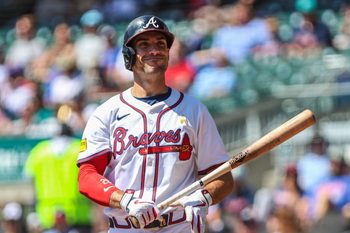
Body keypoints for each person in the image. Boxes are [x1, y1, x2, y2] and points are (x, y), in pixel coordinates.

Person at [77, 15, 234, 233]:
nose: (154, 50)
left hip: (178, 227)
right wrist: (125, 201)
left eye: (161, 44)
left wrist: (204, 196)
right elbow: (87, 176)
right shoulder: (107, 113)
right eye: (144, 45)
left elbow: (223, 176)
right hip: (126, 227)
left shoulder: (194, 110)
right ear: (129, 55)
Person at [24, 121, 92, 232]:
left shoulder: (39, 151)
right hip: (78, 212)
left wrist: (32, 211)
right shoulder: (80, 149)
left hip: (46, 213)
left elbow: (29, 181)